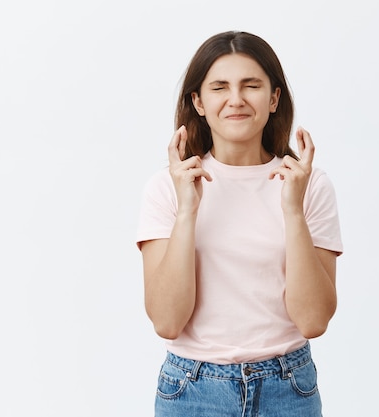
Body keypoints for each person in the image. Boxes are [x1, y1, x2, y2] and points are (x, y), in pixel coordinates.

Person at [136, 30, 343, 417]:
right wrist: (187, 211)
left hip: (288, 388)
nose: (236, 99)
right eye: (219, 87)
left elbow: (313, 320)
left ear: (274, 98)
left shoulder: (309, 184)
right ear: (198, 101)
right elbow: (167, 321)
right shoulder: (166, 187)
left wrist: (293, 211)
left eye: (251, 85)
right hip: (192, 390)